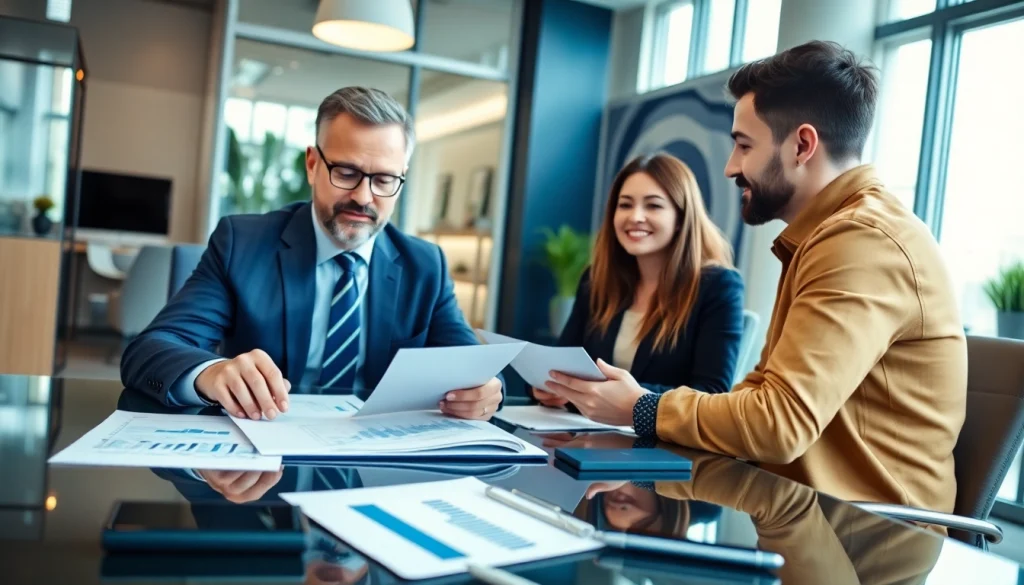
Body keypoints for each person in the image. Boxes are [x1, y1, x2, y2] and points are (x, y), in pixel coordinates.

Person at [542, 41, 967, 513]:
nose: (730, 167)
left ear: (802, 145)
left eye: (744, 145)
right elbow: (759, 396)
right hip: (796, 506)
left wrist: (643, 406)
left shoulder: (859, 242)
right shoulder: (824, 237)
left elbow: (778, 424)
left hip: (862, 530)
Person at [120, 87, 501, 422]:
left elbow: (469, 366)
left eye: (384, 179)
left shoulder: (424, 265)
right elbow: (150, 350)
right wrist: (212, 373)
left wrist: (486, 391)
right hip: (262, 459)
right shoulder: (242, 242)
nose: (364, 197)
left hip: (375, 467)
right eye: (347, 172)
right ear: (313, 165)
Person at [532, 153, 744, 410]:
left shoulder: (718, 286)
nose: (635, 216)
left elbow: (712, 395)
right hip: (584, 433)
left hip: (661, 444)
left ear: (681, 218)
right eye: (625, 205)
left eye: (653, 205)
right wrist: (546, 387)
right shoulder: (596, 279)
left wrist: (629, 398)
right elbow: (561, 362)